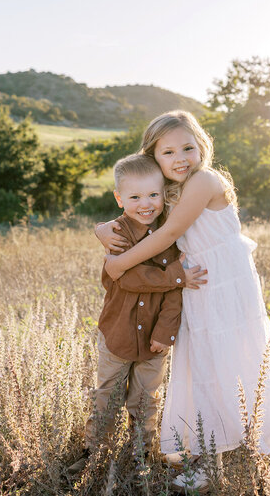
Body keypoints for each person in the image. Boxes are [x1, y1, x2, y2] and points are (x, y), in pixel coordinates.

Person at [96, 110, 270, 491]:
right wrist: (103, 228)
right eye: (168, 152)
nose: (180, 158)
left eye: (188, 147)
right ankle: (203, 449)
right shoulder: (164, 190)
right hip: (196, 286)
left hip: (225, 284)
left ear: (202, 147)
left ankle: (237, 445)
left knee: (232, 359)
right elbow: (137, 212)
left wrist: (118, 263)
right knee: (200, 362)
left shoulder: (204, 180)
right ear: (153, 158)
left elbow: (169, 232)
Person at [67, 153, 208, 475]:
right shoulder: (116, 234)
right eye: (135, 197)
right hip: (117, 333)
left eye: (153, 195)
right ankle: (93, 453)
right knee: (107, 396)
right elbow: (125, 277)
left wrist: (164, 333)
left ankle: (142, 455)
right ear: (119, 198)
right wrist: (176, 276)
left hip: (153, 342)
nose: (145, 204)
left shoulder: (171, 236)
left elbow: (175, 296)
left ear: (164, 196)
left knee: (146, 400)